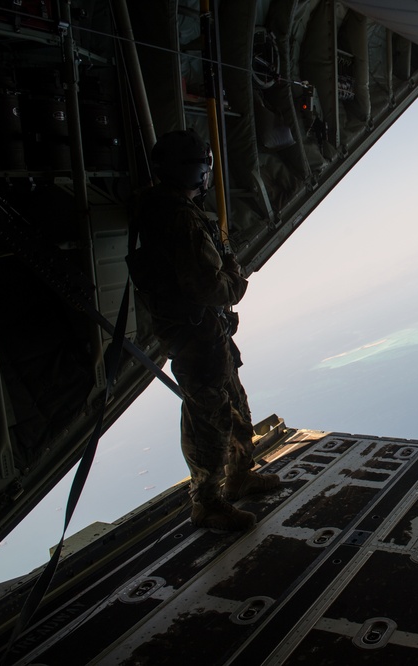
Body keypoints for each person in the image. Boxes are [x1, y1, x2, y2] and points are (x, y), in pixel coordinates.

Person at [127, 129, 280, 531]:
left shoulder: (162, 208)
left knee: (233, 403)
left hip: (201, 332)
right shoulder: (178, 217)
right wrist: (236, 279)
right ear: (198, 172)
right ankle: (208, 504)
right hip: (195, 337)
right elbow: (210, 287)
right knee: (210, 419)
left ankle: (239, 477)